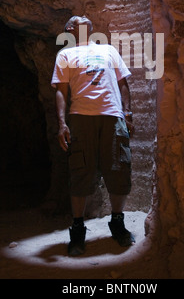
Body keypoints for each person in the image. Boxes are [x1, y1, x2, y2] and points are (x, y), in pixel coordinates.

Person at [51, 15, 135, 256]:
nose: (84, 17)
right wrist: (62, 123)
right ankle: (77, 230)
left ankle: (117, 223)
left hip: (113, 116)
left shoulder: (108, 50)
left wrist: (127, 112)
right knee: (81, 171)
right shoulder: (65, 55)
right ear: (70, 29)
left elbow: (122, 82)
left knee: (119, 167)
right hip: (81, 117)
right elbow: (61, 91)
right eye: (78, 19)